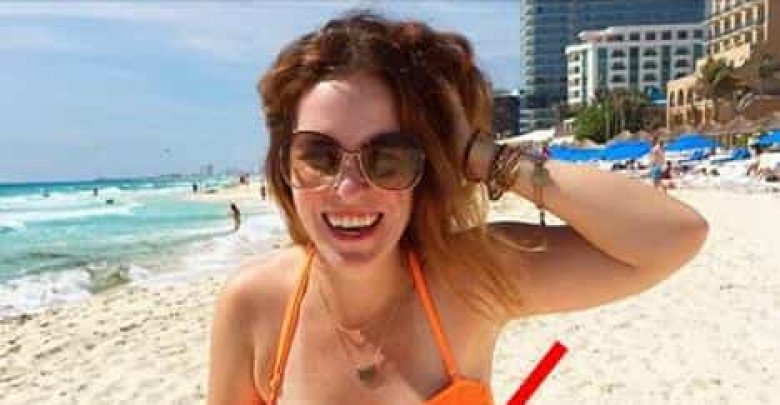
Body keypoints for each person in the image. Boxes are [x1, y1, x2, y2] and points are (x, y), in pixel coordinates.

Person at [208, 12, 708, 405]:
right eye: (319, 155)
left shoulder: (468, 281)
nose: (350, 188)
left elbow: (675, 235)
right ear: (284, 165)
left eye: (388, 158)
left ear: (425, 168)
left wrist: (483, 156)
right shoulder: (255, 305)